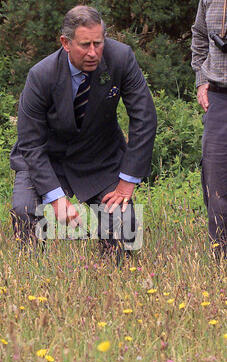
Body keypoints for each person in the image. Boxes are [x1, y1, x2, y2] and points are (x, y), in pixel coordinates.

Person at [10, 5, 157, 263]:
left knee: (124, 228)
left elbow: (144, 118)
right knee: (24, 210)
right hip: (48, 157)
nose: (93, 53)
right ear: (65, 43)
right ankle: (29, 271)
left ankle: (112, 269)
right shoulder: (40, 75)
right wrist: (55, 197)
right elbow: (30, 144)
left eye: (98, 43)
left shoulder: (121, 58)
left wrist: (128, 181)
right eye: (84, 45)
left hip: (100, 155)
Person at [191, 0, 227, 261]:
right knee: (215, 180)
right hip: (219, 96)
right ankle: (221, 258)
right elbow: (200, 35)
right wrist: (201, 80)